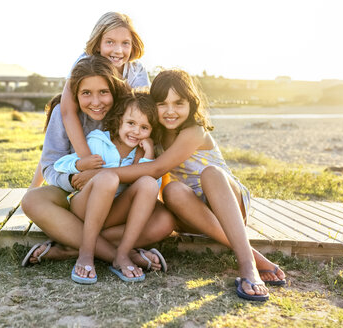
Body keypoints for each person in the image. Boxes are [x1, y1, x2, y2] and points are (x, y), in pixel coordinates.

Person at [72, 69, 286, 301]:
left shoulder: (194, 131)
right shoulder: (154, 133)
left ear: (191, 104)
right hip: (189, 213)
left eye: (179, 103)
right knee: (171, 191)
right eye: (163, 104)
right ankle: (76, 246)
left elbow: (156, 169)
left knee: (211, 173)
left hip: (228, 206)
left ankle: (249, 263)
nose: (171, 111)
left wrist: (99, 173)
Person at [21, 55, 173, 275]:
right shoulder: (88, 132)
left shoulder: (133, 115)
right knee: (32, 200)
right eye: (86, 93)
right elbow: (52, 165)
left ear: (114, 92)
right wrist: (75, 176)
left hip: (118, 206)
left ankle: (68, 248)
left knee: (164, 221)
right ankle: (120, 255)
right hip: (81, 196)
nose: (96, 102)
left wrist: (140, 158)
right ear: (75, 94)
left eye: (103, 92)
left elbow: (148, 181)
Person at [29, 12, 149, 188]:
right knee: (59, 133)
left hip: (117, 117)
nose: (117, 50)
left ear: (133, 45)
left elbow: (145, 111)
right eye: (110, 42)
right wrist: (85, 160)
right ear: (98, 43)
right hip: (86, 116)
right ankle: (33, 188)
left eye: (125, 43)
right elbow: (67, 110)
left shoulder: (136, 71)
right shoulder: (84, 62)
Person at [54, 91, 161, 283]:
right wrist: (80, 166)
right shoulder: (98, 141)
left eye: (144, 127)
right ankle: (85, 253)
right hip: (83, 207)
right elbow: (59, 165)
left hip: (112, 214)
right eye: (131, 123)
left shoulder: (141, 153)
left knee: (149, 183)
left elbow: (151, 192)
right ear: (119, 120)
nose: (136, 131)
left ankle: (122, 254)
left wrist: (148, 154)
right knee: (108, 178)